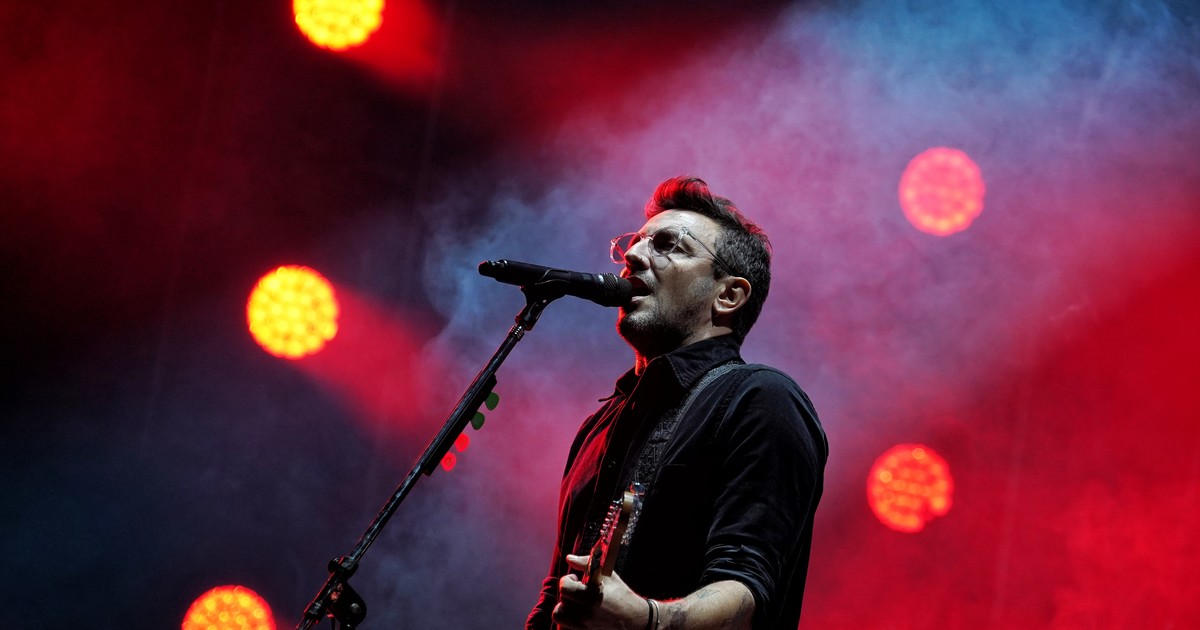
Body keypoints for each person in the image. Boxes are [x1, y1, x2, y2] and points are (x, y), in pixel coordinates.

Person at [526, 176, 828, 630]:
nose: (632, 256)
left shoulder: (762, 400)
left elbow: (747, 589)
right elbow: (554, 591)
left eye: (670, 246)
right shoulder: (600, 424)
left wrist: (647, 620)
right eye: (634, 242)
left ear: (728, 295)